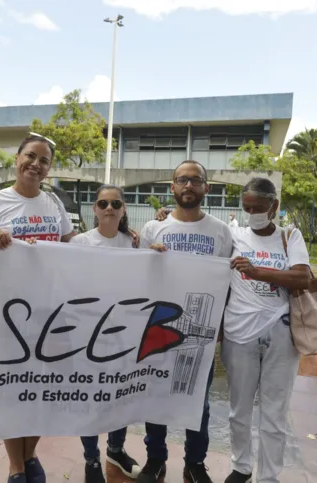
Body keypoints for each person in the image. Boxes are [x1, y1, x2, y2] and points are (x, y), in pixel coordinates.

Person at [0, 133, 76, 483]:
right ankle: (16, 465)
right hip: (4, 309)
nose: (36, 164)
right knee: (10, 382)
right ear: (17, 159)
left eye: (44, 160)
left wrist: (120, 235)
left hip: (47, 309)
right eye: (30, 156)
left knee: (42, 384)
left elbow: (73, 247)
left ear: (49, 168)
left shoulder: (54, 205)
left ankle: (30, 455)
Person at [136, 160, 233, 483]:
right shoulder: (153, 229)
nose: (188, 186)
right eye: (182, 180)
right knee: (155, 394)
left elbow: (227, 281)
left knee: (198, 402)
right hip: (160, 326)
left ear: (206, 187)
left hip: (201, 329)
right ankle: (155, 459)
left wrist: (219, 323)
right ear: (172, 187)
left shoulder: (221, 232)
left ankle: (195, 462)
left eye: (196, 180)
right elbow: (137, 276)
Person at [220, 178, 310, 483]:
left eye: (259, 208)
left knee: (274, 412)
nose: (252, 213)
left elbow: (302, 277)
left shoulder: (289, 236)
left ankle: (268, 477)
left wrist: (257, 271)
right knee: (239, 410)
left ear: (275, 206)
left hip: (281, 333)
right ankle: (241, 466)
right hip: (239, 333)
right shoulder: (233, 235)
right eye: (247, 208)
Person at [70, 184, 141, 483]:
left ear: (124, 209)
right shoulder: (79, 242)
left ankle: (115, 449)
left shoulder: (135, 243)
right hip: (88, 335)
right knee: (89, 396)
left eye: (115, 203)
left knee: (119, 396)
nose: (109, 208)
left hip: (125, 334)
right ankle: (91, 459)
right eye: (103, 203)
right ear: (95, 209)